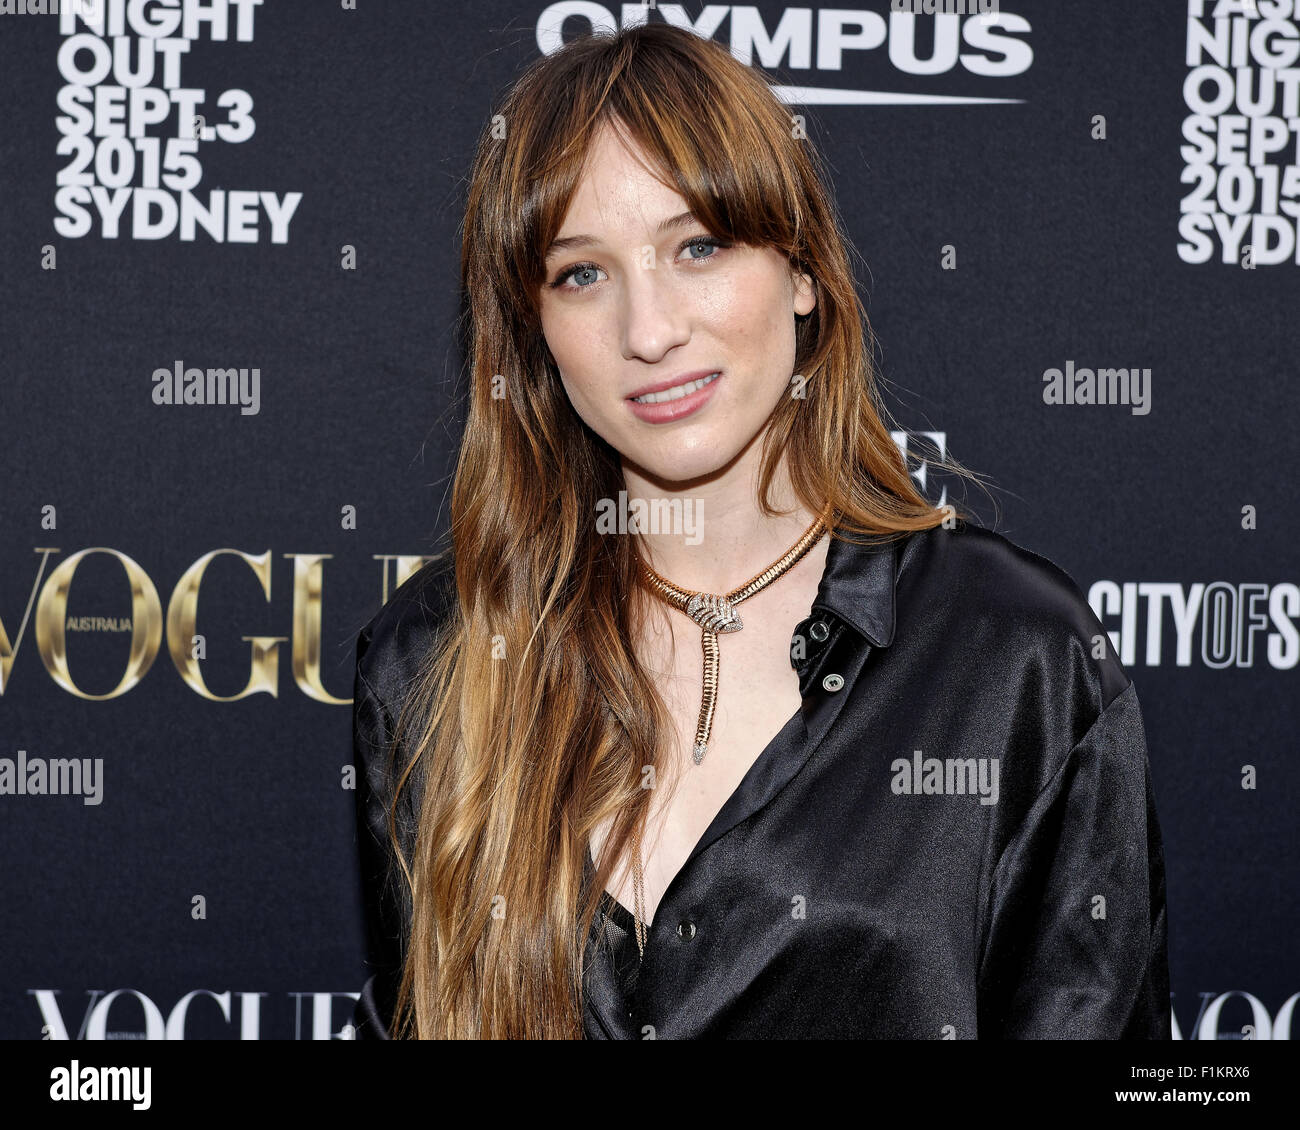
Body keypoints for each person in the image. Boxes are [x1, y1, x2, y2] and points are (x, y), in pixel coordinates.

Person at [351, 22, 1169, 1040]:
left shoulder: (1013, 659)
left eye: (697, 246)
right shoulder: (435, 659)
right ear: (532, 331)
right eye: (580, 274)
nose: (647, 330)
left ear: (801, 271)